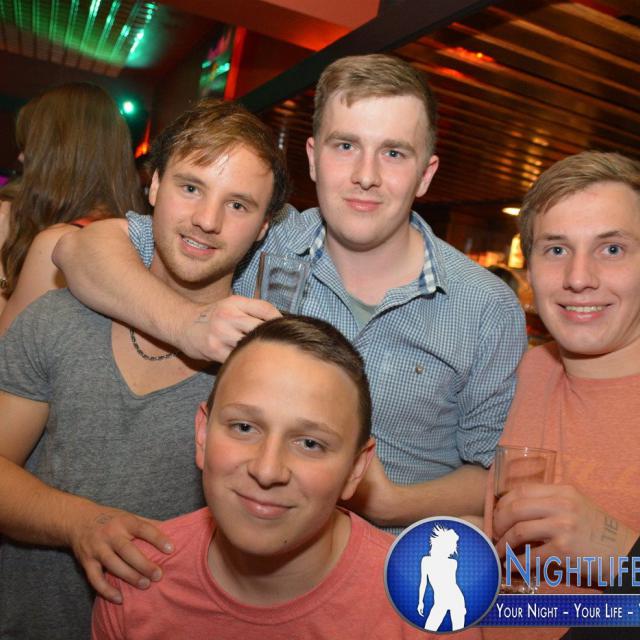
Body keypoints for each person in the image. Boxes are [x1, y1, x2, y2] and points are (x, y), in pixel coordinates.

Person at [55, 54, 526, 535]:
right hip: (244, 549)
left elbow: (491, 474)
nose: (366, 175)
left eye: (393, 153)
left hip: (388, 568)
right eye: (346, 145)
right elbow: (80, 249)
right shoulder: (261, 237)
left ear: (425, 173)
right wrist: (185, 325)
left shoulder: (486, 307)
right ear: (313, 157)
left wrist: (389, 502)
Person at [0, 99, 288, 640]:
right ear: (153, 186)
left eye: (238, 204)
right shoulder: (59, 318)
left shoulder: (267, 369)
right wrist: (80, 523)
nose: (207, 220)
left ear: (263, 228)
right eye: (190, 187)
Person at [92, 316, 479, 639]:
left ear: (356, 469)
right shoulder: (136, 579)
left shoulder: (425, 615)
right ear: (203, 435)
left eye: (310, 443)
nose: (267, 470)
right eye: (244, 427)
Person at [485, 151, 640, 640]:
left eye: (611, 249)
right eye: (556, 249)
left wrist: (621, 554)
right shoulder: (525, 373)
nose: (578, 277)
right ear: (529, 268)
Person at [0, 83, 143, 327]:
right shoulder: (127, 235)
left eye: (30, 146)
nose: (21, 157)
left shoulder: (61, 243)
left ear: (58, 153)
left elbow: (8, 346)